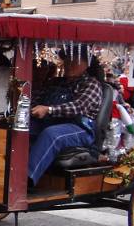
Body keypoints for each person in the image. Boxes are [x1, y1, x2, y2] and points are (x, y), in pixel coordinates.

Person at [28, 48, 103, 186]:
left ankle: (26, 179)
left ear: (86, 64)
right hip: (50, 122)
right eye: (67, 60)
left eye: (75, 60)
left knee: (52, 134)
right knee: (23, 129)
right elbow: (37, 99)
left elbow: (79, 107)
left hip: (80, 128)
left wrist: (49, 109)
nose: (69, 64)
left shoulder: (91, 84)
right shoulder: (55, 82)